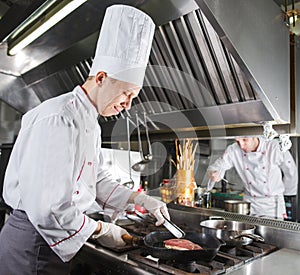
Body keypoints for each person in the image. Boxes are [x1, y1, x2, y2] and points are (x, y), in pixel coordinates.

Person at [0, 5, 170, 274]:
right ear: (101, 77)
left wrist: (139, 201)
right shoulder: (59, 118)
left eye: (133, 98)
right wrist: (100, 229)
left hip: (51, 239)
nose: (127, 105)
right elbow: (48, 209)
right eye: (126, 94)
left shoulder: (89, 120)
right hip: (34, 242)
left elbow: (96, 180)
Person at [207, 136, 298, 219]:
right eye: (238, 141)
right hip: (249, 203)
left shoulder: (273, 146)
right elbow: (217, 166)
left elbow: (291, 171)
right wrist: (214, 172)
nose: (241, 146)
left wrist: (287, 194)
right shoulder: (233, 149)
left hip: (272, 205)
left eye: (245, 140)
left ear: (255, 136)